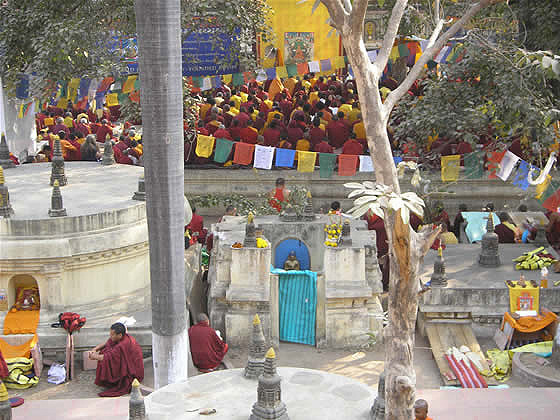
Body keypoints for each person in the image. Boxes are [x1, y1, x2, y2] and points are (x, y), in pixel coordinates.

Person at [89, 322, 144, 397]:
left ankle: (114, 381)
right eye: (110, 334)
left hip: (133, 372)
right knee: (105, 350)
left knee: (107, 358)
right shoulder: (120, 337)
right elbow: (106, 343)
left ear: (120, 335)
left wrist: (94, 356)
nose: (110, 336)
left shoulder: (123, 344)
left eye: (112, 335)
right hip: (123, 360)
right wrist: (95, 349)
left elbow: (107, 357)